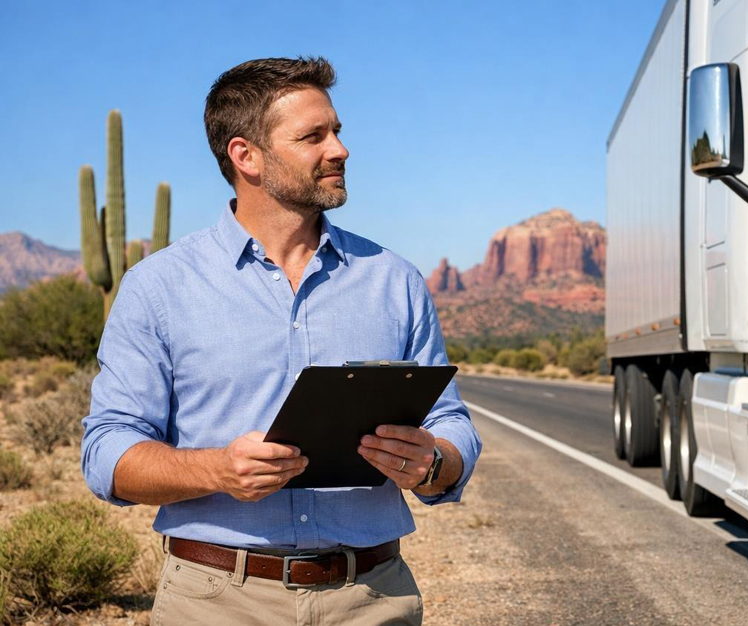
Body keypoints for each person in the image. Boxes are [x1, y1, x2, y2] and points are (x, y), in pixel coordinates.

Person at [80, 56, 481, 626]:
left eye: (337, 131)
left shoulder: (396, 281)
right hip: (214, 603)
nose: (339, 149)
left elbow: (452, 422)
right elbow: (107, 452)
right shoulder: (158, 287)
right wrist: (217, 470)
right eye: (313, 136)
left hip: (373, 599)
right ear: (246, 156)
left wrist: (433, 461)